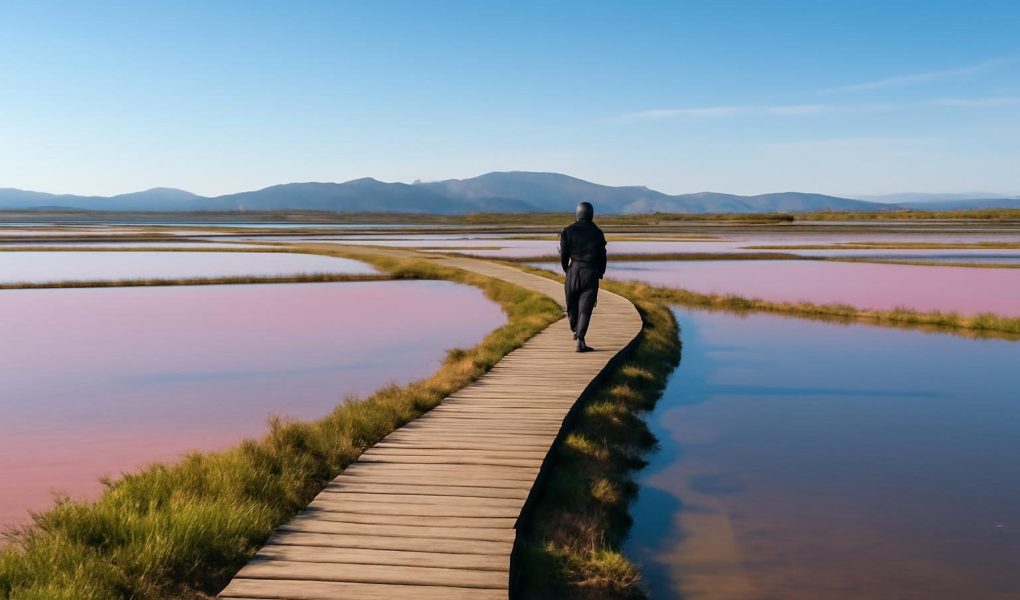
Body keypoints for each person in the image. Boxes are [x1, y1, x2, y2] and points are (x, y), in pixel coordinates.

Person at [559, 201, 607, 352]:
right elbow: (602, 256)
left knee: (571, 305)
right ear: (591, 214)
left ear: (578, 213)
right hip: (591, 272)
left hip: (573, 270)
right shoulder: (598, 233)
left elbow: (564, 255)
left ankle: (576, 329)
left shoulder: (568, 231)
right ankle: (580, 339)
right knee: (585, 309)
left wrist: (567, 269)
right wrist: (600, 272)